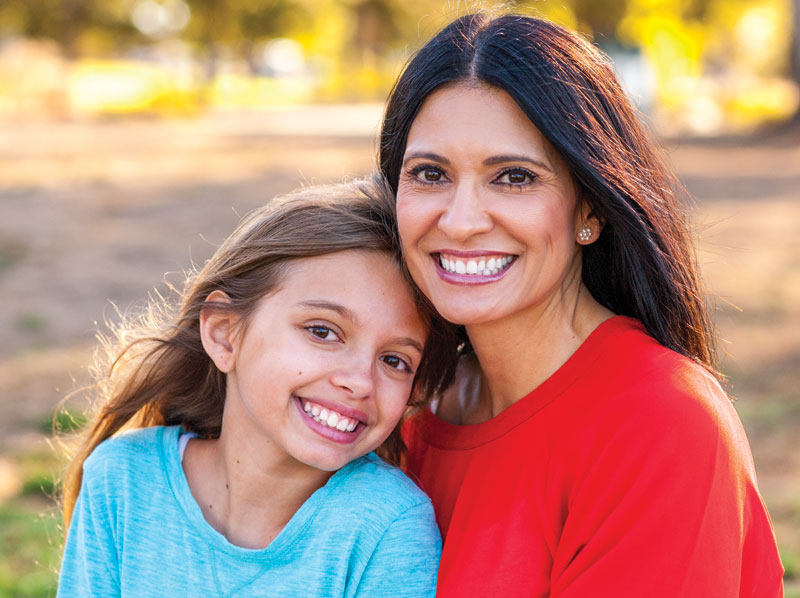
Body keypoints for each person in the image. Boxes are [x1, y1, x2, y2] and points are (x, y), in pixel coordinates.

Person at [379, 12, 785, 598]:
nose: (461, 221)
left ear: (589, 210)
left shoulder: (661, 423)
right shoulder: (396, 402)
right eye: (430, 173)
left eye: (514, 178)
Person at [57, 176, 458, 597]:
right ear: (225, 334)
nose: (359, 381)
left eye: (394, 360)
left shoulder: (386, 528)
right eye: (322, 331)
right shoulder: (123, 479)